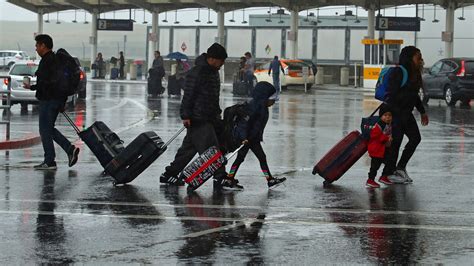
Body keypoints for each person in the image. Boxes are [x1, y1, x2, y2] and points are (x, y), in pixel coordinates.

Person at [160, 43, 229, 189]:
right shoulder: (197, 72)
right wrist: (185, 115)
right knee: (212, 151)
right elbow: (189, 95)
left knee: (187, 150)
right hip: (199, 117)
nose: (222, 64)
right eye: (221, 61)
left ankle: (169, 174)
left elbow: (213, 97)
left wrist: (217, 115)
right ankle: (220, 178)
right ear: (212, 59)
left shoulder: (213, 72)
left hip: (209, 117)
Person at [23, 34, 80, 170]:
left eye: (37, 45)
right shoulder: (53, 60)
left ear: (43, 45)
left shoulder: (48, 61)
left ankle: (51, 160)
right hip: (54, 100)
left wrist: (57, 100)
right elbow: (52, 82)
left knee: (45, 130)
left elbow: (49, 83)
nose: (36, 49)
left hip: (49, 100)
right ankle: (66, 151)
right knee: (48, 129)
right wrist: (32, 87)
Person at [224, 81, 287, 190]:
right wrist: (243, 138)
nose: (273, 103)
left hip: (253, 138)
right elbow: (244, 124)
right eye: (272, 100)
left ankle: (269, 179)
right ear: (264, 98)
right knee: (241, 159)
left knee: (260, 158)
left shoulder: (262, 107)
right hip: (247, 139)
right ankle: (229, 179)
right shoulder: (253, 108)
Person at [384, 46, 429, 183]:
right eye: (418, 57)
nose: (421, 60)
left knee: (415, 138)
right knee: (395, 143)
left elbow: (414, 95)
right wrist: (390, 118)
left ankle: (400, 168)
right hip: (396, 114)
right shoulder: (399, 72)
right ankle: (388, 173)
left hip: (406, 114)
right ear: (409, 58)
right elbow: (391, 95)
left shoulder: (415, 73)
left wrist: (422, 112)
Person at [366, 105, 394, 188]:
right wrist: (386, 138)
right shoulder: (378, 125)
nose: (387, 117)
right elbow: (375, 136)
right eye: (385, 115)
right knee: (375, 166)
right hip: (376, 150)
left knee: (390, 161)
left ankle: (383, 176)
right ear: (381, 116)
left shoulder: (388, 124)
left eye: (389, 116)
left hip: (382, 149)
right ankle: (370, 180)